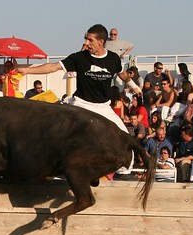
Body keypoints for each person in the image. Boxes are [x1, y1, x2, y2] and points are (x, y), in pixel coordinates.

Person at [17, 24, 143, 174]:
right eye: (85, 39)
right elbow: (53, 67)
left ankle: (121, 175)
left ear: (100, 42)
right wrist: (27, 70)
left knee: (126, 141)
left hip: (103, 107)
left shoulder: (113, 59)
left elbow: (122, 75)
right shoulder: (79, 57)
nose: (86, 43)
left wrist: (134, 86)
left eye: (90, 40)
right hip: (81, 105)